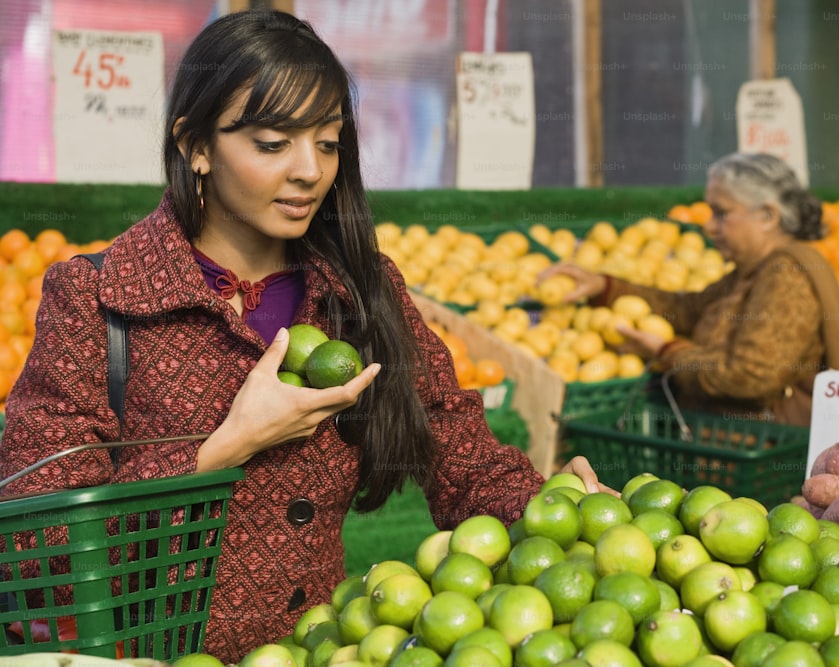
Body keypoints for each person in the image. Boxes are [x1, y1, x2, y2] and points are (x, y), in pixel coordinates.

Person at [0, 9, 610, 662]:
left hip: (314, 648)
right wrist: (230, 445)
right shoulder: (97, 299)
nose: (309, 171)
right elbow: (41, 539)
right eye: (272, 144)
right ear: (195, 145)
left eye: (327, 142)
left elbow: (462, 454)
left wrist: (552, 504)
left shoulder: (359, 294)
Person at [541, 152, 839, 426]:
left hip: (763, 450)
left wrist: (666, 352)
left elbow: (750, 377)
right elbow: (685, 311)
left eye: (721, 213)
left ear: (767, 216)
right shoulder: (751, 274)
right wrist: (604, 287)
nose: (708, 226)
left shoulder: (787, 277)